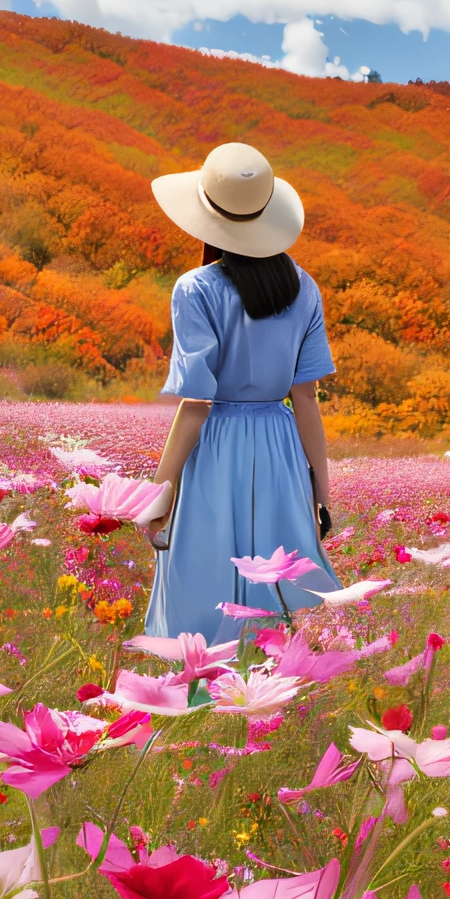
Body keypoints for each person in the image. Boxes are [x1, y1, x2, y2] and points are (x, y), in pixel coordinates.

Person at [143, 141, 337, 645]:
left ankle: (202, 699)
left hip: (216, 448)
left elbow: (196, 404)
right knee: (282, 590)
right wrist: (320, 496)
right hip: (280, 448)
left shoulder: (196, 288)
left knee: (203, 580)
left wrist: (159, 493)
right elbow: (307, 399)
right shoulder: (304, 288)